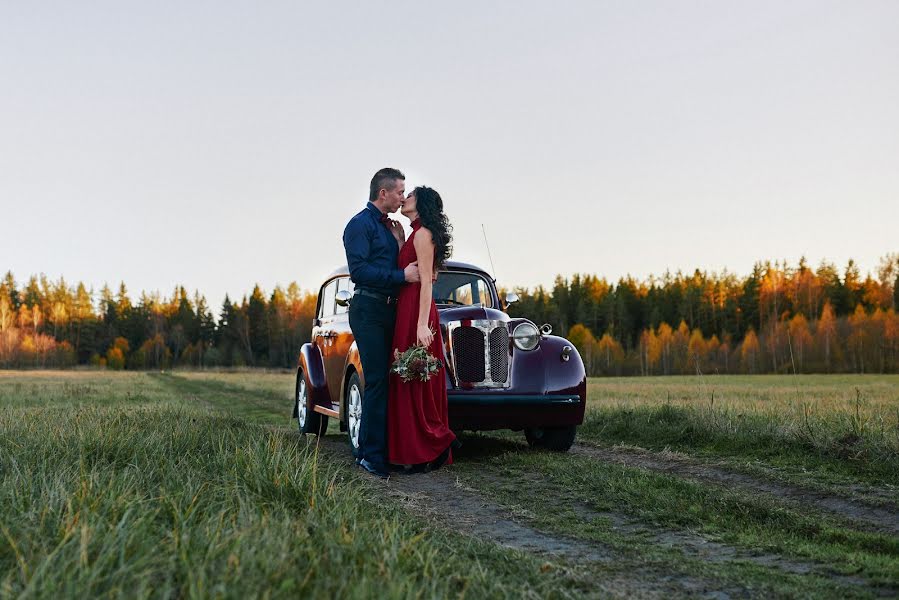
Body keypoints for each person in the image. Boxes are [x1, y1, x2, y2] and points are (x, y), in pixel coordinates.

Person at [343, 168, 419, 478]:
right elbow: (359, 272)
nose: (403, 196)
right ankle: (370, 458)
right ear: (383, 193)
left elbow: (393, 262)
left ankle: (386, 449)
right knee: (375, 380)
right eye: (400, 191)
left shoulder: (393, 228)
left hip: (391, 310)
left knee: (391, 380)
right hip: (369, 310)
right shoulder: (358, 225)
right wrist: (402, 276)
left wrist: (402, 245)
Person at [388, 186, 459, 471]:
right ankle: (417, 449)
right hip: (408, 307)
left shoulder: (424, 234)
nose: (404, 198)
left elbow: (427, 281)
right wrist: (399, 240)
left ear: (422, 204)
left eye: (410, 195)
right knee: (408, 375)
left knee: (416, 376)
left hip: (417, 310)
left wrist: (420, 324)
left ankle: (434, 445)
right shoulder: (415, 233)